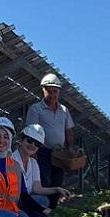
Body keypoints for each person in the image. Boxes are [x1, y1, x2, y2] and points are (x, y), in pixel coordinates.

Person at [24, 72, 75, 206]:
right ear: (43, 90)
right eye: (49, 91)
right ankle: (41, 208)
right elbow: (31, 130)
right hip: (42, 152)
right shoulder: (36, 109)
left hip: (59, 153)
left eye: (55, 91)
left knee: (57, 181)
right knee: (44, 181)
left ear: (59, 92)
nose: (52, 94)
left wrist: (70, 147)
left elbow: (69, 130)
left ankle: (52, 209)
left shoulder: (64, 110)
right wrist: (33, 152)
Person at [12, 123, 70, 217]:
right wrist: (43, 209)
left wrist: (57, 189)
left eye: (37, 144)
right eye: (30, 140)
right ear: (21, 140)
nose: (32, 145)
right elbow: (20, 196)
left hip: (26, 200)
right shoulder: (11, 161)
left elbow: (37, 188)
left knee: (43, 200)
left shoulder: (33, 162)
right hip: (14, 202)